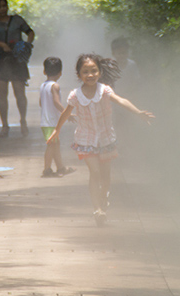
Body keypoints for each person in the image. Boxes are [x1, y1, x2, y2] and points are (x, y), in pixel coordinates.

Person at [48, 53, 154, 226]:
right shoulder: (75, 96)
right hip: (86, 140)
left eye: (94, 71)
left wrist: (138, 113)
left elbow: (121, 100)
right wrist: (56, 130)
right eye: (85, 72)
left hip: (106, 139)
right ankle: (98, 209)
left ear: (99, 72)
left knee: (105, 176)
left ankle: (103, 198)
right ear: (79, 74)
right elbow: (66, 113)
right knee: (95, 172)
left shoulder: (104, 91)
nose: (90, 75)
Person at [0, 0, 35, 138]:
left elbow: (30, 32)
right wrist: (3, 45)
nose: (3, 9)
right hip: (1, 59)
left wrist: (27, 44)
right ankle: (5, 125)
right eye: (0, 6)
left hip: (17, 60)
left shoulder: (17, 20)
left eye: (4, 6)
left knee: (20, 93)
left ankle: (23, 121)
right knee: (2, 93)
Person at [39, 57, 75, 178]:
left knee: (55, 146)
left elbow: (41, 103)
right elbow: (56, 102)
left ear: (44, 71)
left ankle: (61, 167)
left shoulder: (43, 85)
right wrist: (67, 113)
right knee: (51, 146)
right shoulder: (55, 86)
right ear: (60, 73)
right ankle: (47, 169)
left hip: (45, 121)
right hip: (52, 122)